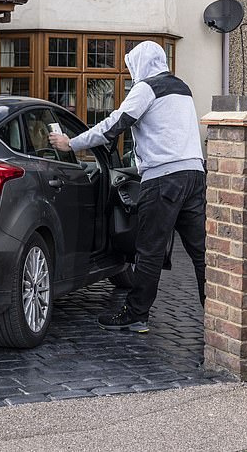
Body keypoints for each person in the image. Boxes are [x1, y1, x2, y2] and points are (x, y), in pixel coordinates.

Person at [49, 40, 206, 334]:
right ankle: (218, 313)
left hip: (163, 180)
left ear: (140, 64)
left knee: (150, 251)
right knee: (202, 251)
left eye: (131, 65)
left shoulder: (147, 88)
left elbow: (114, 125)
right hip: (195, 175)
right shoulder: (182, 87)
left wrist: (71, 142)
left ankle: (136, 315)